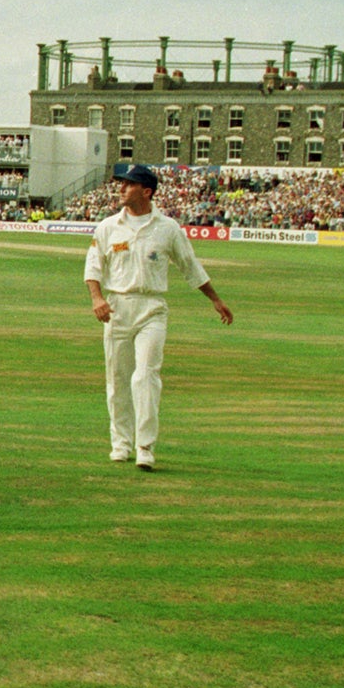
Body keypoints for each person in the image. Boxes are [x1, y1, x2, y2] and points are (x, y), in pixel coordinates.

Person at [83, 164, 232, 470]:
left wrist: (215, 299)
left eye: (128, 184)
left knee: (145, 376)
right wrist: (97, 298)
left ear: (146, 191)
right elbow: (93, 267)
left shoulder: (167, 228)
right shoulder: (108, 226)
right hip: (118, 308)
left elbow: (190, 266)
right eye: (121, 183)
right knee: (118, 379)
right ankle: (121, 443)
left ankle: (145, 446)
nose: (121, 188)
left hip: (152, 308)